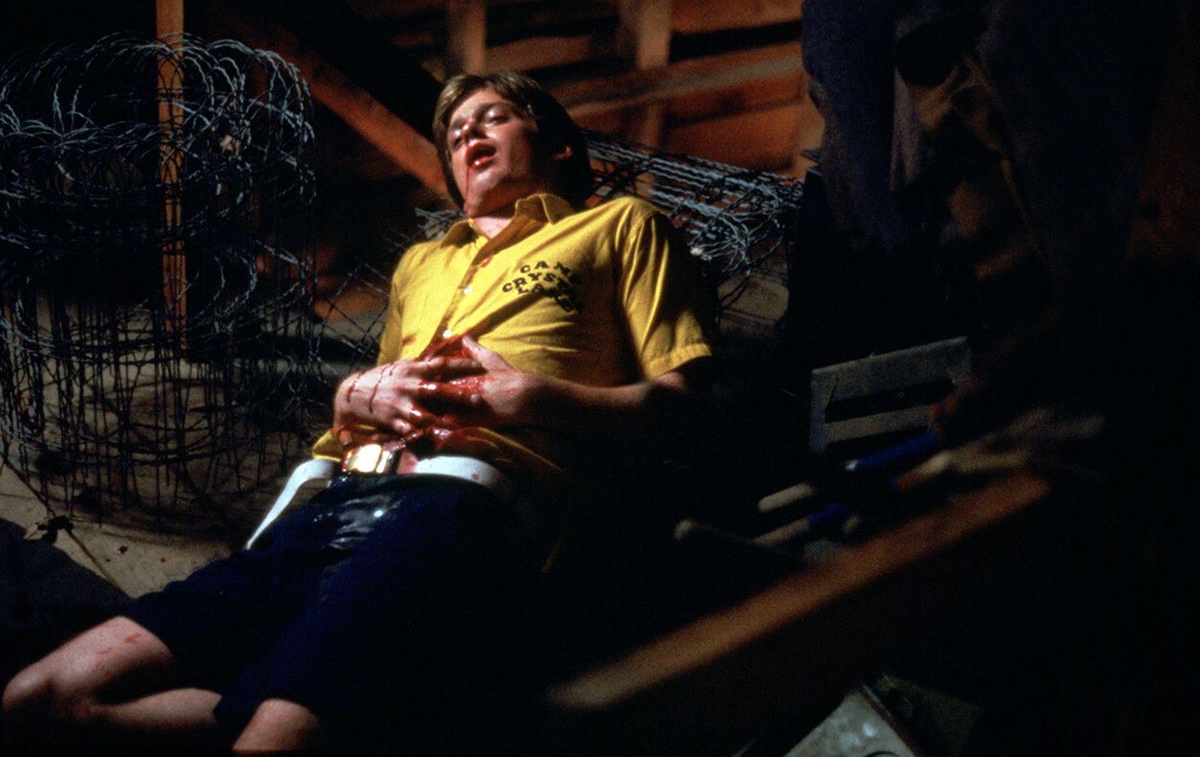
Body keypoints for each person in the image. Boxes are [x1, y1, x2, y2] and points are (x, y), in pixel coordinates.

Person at [2, 71, 716, 751]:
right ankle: (356, 720)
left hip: (454, 510)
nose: (469, 134)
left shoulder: (620, 225)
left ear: (557, 144)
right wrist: (348, 399)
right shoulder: (421, 264)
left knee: (270, 736)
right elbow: (378, 386)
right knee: (40, 700)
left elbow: (685, 409)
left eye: (493, 118)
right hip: (331, 501)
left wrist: (529, 396)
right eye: (455, 133)